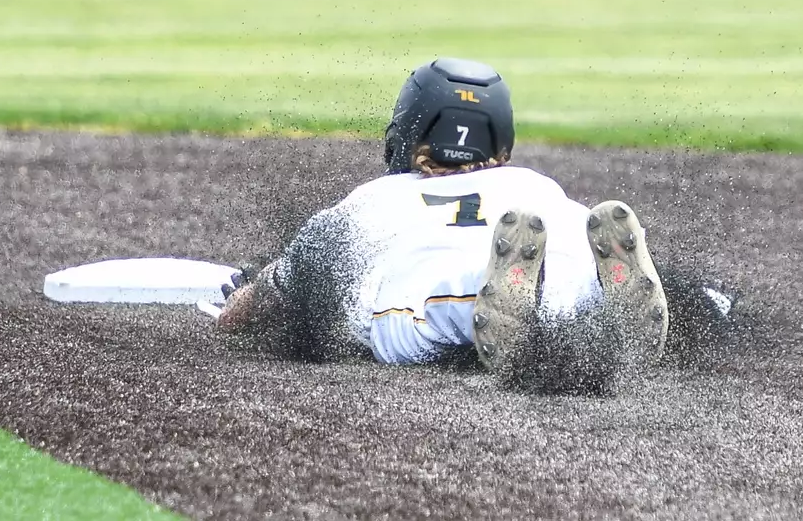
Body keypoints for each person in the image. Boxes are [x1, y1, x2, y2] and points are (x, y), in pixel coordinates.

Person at [208, 58, 671, 371]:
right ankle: (602, 302)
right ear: (501, 141)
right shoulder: (534, 184)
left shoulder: (377, 196)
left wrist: (248, 289)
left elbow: (251, 310)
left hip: (438, 281)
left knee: (427, 306)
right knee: (569, 286)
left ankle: (486, 295)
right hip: (555, 254)